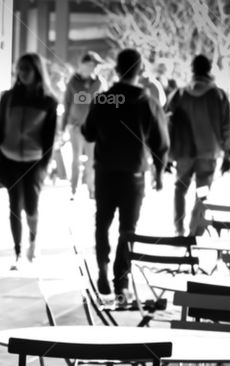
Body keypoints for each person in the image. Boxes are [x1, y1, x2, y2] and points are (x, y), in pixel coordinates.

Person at [83, 48, 168, 298]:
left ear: (117, 71)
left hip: (106, 170)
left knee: (102, 221)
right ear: (140, 72)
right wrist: (159, 172)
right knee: (128, 228)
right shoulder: (148, 103)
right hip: (134, 173)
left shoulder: (103, 100)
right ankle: (121, 281)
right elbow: (161, 142)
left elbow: (88, 132)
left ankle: (102, 266)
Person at [0, 53, 58, 269]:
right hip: (10, 156)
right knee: (13, 205)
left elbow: (49, 136)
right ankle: (18, 252)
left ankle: (34, 240)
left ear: (36, 71)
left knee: (31, 205)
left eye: (26, 69)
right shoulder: (8, 97)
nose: (22, 73)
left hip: (34, 160)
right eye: (19, 69)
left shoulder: (48, 101)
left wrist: (45, 164)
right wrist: (0, 143)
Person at [166, 54, 230, 235]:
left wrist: (167, 154)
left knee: (180, 188)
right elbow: (226, 126)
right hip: (208, 152)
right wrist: (229, 153)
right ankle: (195, 231)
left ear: (192, 70)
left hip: (184, 152)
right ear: (209, 70)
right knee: (202, 192)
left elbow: (168, 124)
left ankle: (178, 229)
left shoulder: (180, 94)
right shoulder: (218, 95)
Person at [62, 51, 103, 200]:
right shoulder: (74, 81)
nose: (95, 68)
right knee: (76, 158)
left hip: (93, 126)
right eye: (93, 65)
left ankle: (92, 189)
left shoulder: (98, 82)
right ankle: (73, 188)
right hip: (76, 125)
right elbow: (73, 101)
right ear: (84, 65)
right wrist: (63, 126)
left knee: (92, 159)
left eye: (96, 66)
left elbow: (102, 102)